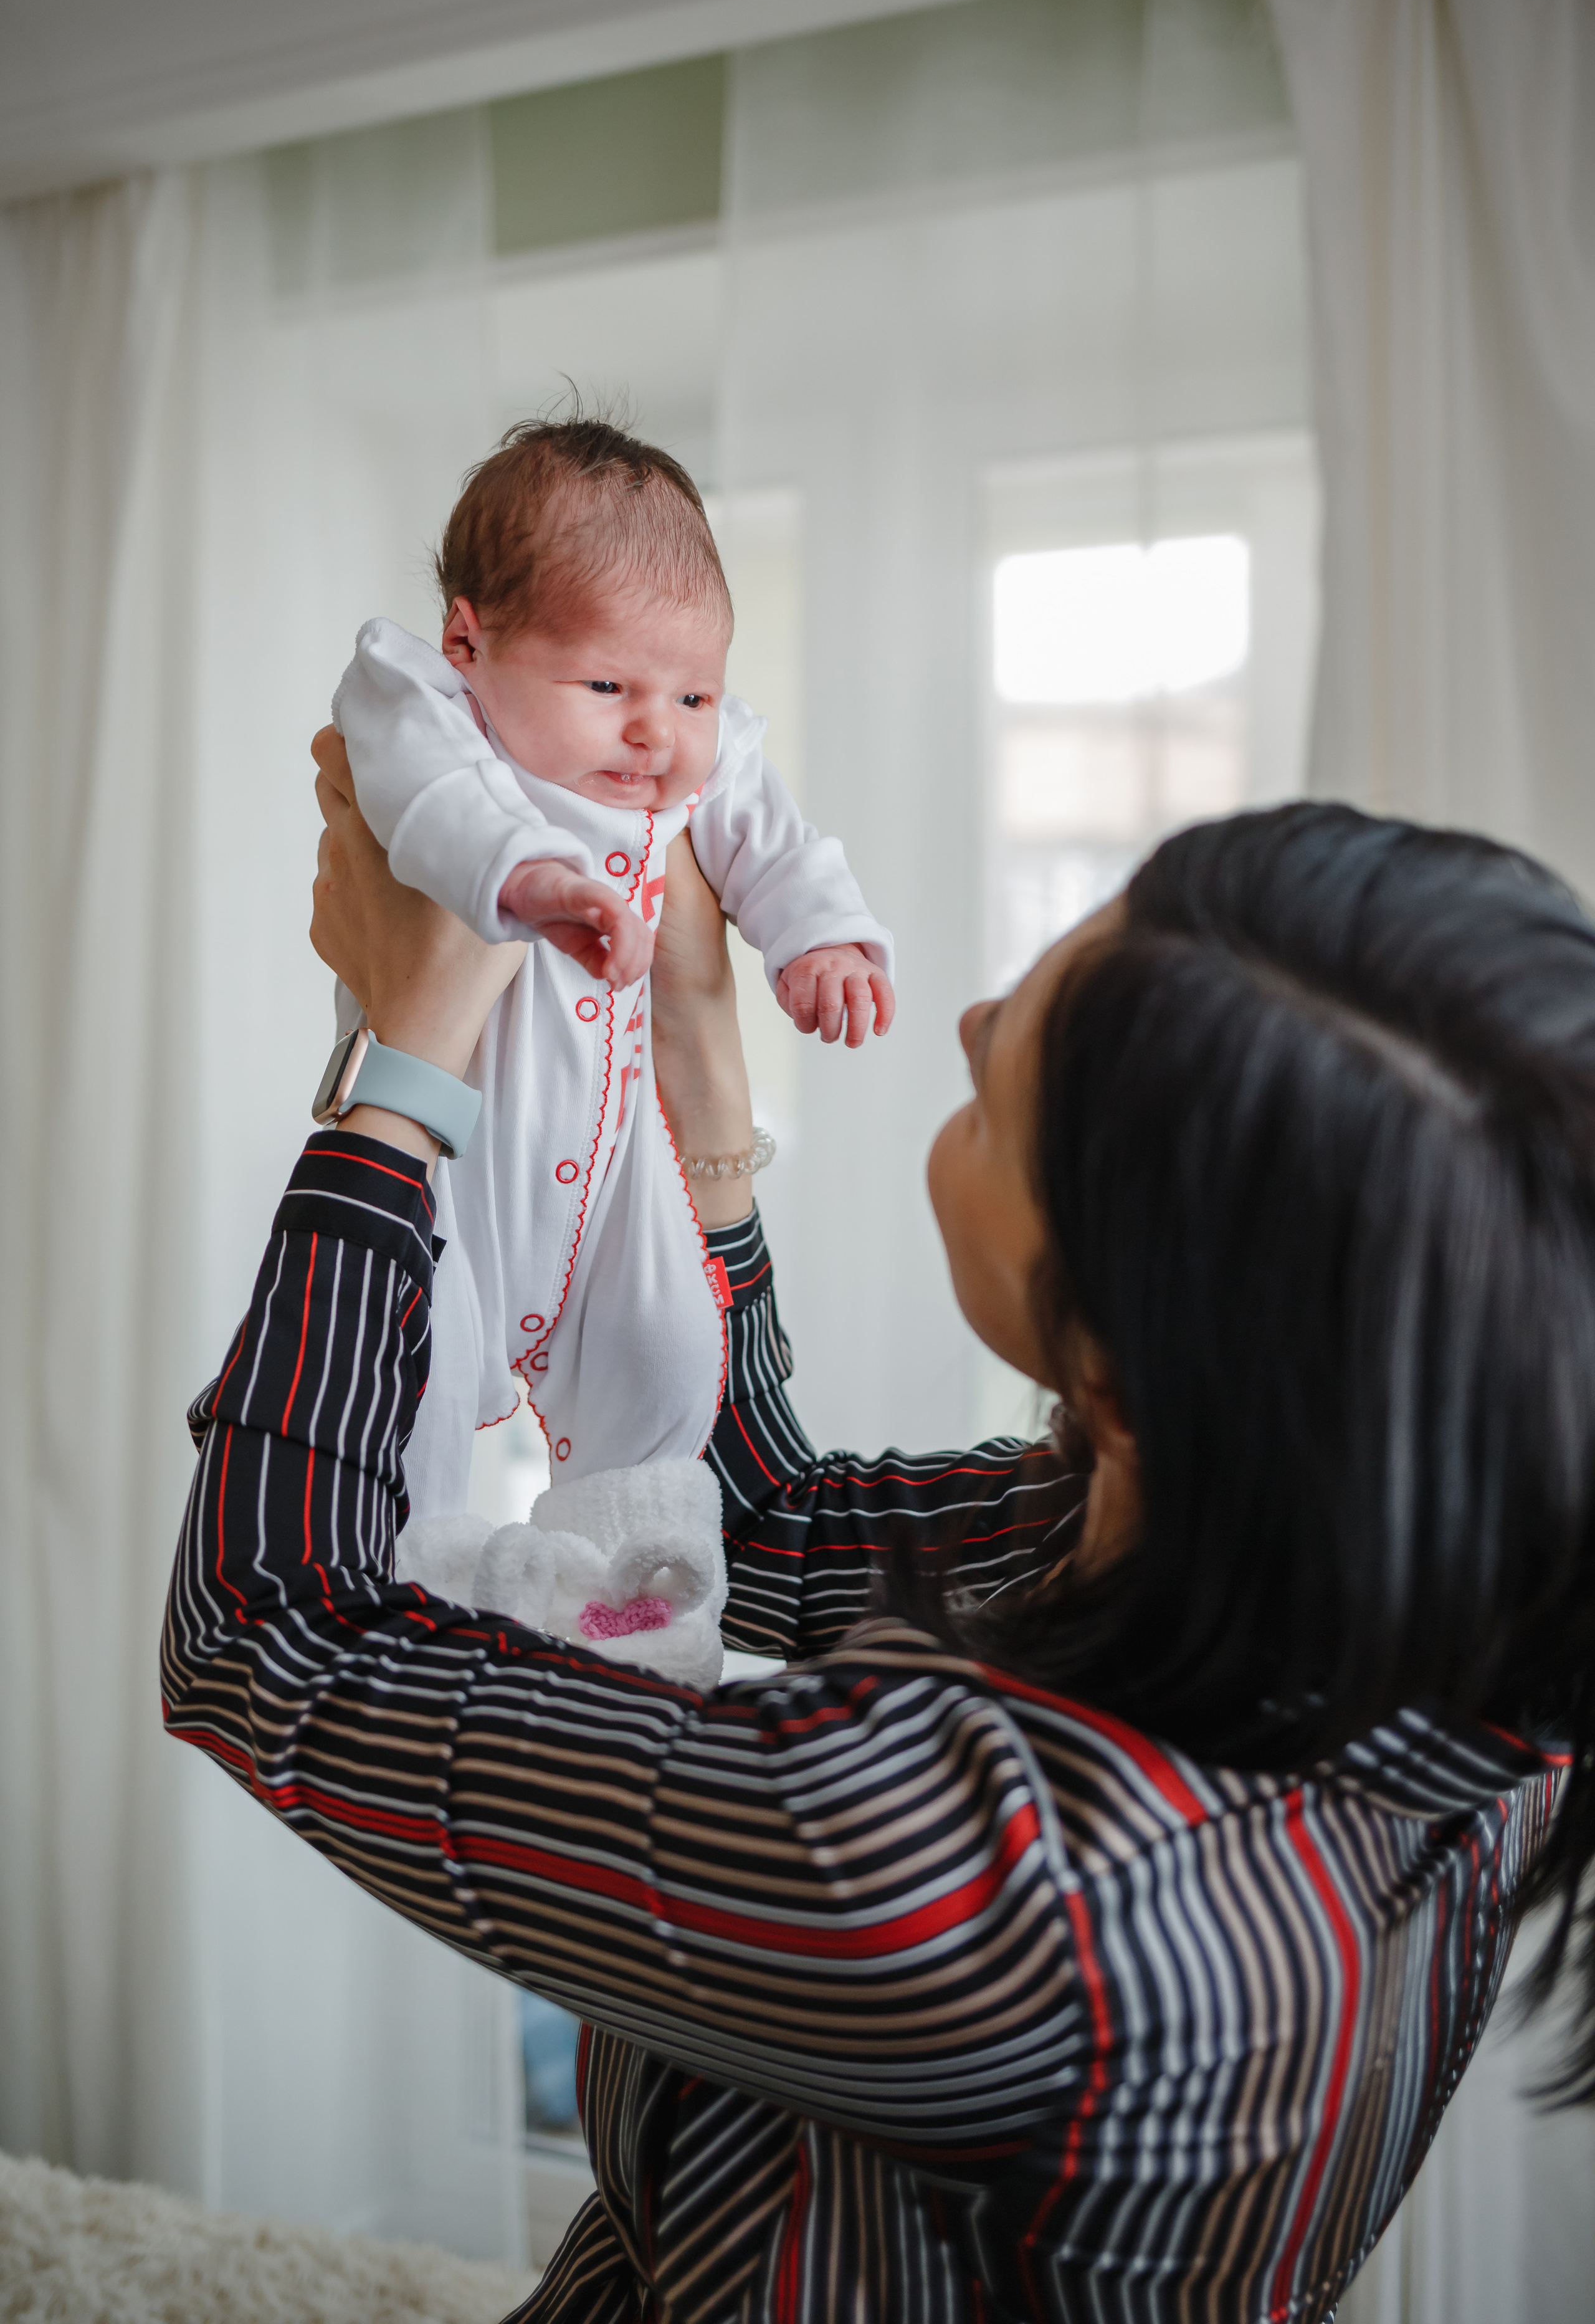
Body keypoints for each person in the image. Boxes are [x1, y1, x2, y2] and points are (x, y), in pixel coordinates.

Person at [163, 758, 1595, 2324]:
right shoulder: (1400, 1608)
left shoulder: (1006, 1894)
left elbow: (268, 1640)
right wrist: (700, 1059)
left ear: (1118, 1375)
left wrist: (408, 1061)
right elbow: (768, 1524)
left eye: (1003, 1094)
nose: (970, 1023)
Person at [327, 415, 893, 1519]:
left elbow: (777, 845)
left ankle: (619, 1611)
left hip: (627, 1161)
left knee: (675, 1353)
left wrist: (821, 936)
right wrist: (526, 878)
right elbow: (424, 800)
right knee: (412, 1383)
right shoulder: (422, 705)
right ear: (468, 643)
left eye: (692, 696)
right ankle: (417, 1585)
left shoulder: (702, 762)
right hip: (447, 1162)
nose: (658, 734)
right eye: (607, 688)